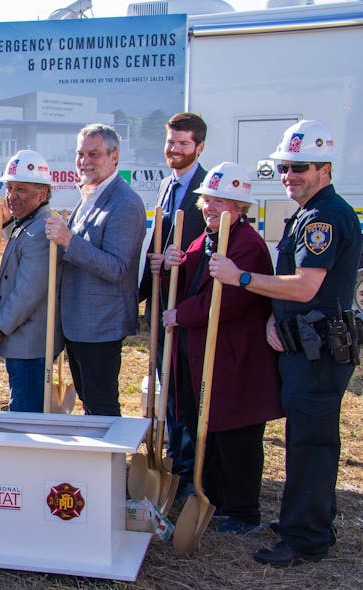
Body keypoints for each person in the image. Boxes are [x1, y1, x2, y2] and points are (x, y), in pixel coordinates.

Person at [208, 121, 362, 566]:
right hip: (304, 345)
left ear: (325, 168)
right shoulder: (310, 213)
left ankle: (305, 538)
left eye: (298, 168)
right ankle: (310, 521)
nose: (289, 176)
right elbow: (297, 289)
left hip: (318, 353)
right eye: (283, 168)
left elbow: (306, 286)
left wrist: (240, 277)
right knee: (306, 441)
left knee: (310, 446)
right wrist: (276, 319)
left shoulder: (324, 217)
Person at [159, 162, 282, 534]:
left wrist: (180, 315)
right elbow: (186, 280)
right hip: (204, 357)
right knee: (208, 431)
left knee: (237, 435)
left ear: (240, 207)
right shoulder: (205, 238)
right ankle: (214, 498)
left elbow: (227, 301)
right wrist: (169, 266)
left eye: (221, 201)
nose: (210, 207)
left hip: (235, 358)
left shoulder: (248, 245)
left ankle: (244, 512)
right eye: (207, 200)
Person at [44, 123, 146, 416]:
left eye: (94, 154)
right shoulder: (91, 195)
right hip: (79, 324)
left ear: (114, 157)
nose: (85, 161)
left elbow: (117, 268)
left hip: (101, 326)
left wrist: (68, 240)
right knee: (90, 403)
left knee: (101, 407)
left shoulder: (125, 203)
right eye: (80, 153)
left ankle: (110, 462)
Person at [140, 112, 210, 493]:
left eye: (183, 144)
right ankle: (173, 456)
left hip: (189, 304)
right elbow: (161, 240)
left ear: (199, 147)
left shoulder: (203, 188)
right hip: (164, 299)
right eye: (171, 142)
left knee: (185, 387)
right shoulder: (168, 185)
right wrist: (156, 265)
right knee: (166, 383)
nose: (175, 150)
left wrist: (180, 259)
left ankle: (188, 465)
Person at [0, 149, 56, 412]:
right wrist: (4, 224)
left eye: (21, 189)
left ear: (42, 193)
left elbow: (28, 292)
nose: (12, 195)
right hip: (25, 342)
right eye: (9, 187)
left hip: (30, 344)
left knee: (25, 415)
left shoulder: (40, 231)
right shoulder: (30, 224)